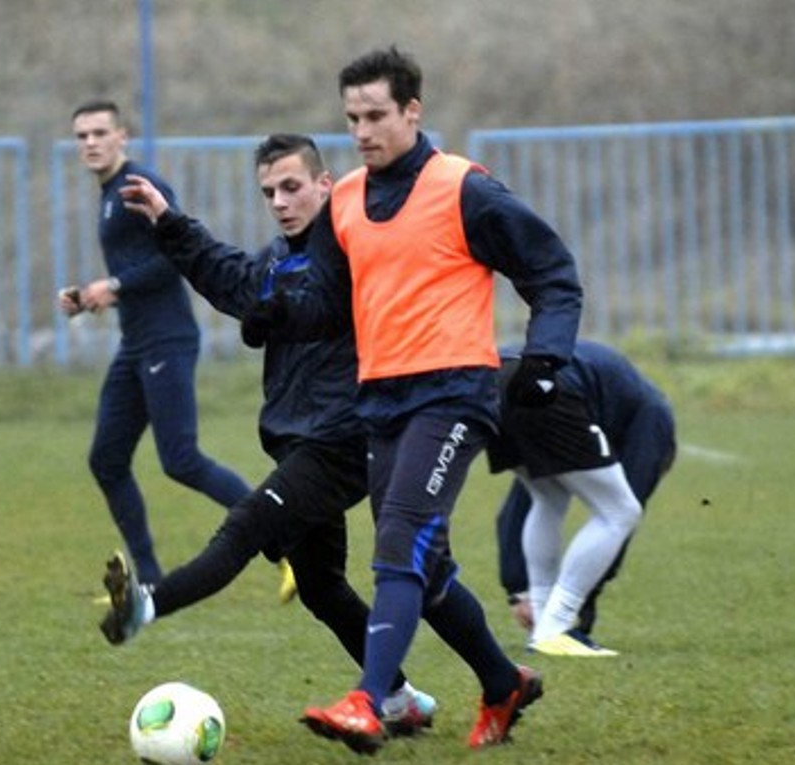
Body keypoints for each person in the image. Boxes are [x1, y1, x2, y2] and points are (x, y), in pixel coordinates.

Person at [264, 47, 583, 753]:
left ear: (413, 110)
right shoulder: (343, 198)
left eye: (377, 115)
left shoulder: (464, 189)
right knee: (426, 567)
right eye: (352, 118)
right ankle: (502, 681)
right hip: (379, 402)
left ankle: (368, 700)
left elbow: (555, 275)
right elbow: (318, 297)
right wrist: (262, 306)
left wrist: (546, 360)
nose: (363, 130)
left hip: (454, 394)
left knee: (399, 539)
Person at [104, 133, 436, 734]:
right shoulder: (278, 262)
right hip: (297, 438)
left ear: (324, 184)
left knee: (247, 526)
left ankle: (148, 605)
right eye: (268, 192)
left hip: (341, 439)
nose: (280, 201)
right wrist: (169, 222)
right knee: (321, 587)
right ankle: (403, 697)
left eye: (291, 187)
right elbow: (228, 274)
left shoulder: (350, 256)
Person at [59, 100, 254, 587]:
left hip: (168, 341)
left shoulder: (138, 187)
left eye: (100, 132)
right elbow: (134, 266)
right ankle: (147, 577)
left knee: (181, 460)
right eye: (81, 136)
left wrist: (116, 286)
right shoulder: (109, 195)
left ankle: (284, 530)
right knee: (106, 459)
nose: (90, 143)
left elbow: (176, 257)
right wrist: (89, 297)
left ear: (122, 136)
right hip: (136, 344)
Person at [490, 340, 675, 657]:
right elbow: (633, 497)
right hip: (544, 385)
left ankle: (541, 611)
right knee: (621, 512)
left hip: (491, 379)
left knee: (548, 497)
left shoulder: (628, 395)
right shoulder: (653, 418)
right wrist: (588, 592)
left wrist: (516, 587)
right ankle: (556, 627)